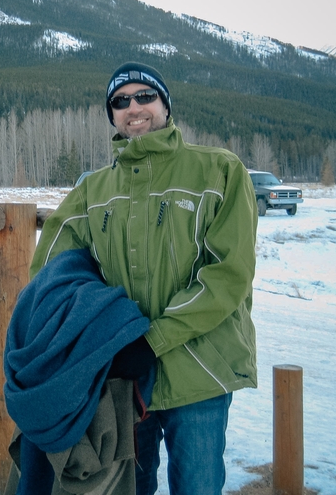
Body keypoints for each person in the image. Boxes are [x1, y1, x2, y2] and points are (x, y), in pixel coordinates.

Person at [30, 61, 258, 495]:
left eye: (144, 96)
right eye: (120, 101)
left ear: (165, 106)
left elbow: (228, 275)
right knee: (128, 488)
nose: (133, 107)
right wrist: (88, 335)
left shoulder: (220, 172)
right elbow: (50, 274)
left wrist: (151, 341)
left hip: (200, 372)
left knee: (198, 487)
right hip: (124, 379)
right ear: (112, 116)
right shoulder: (90, 192)